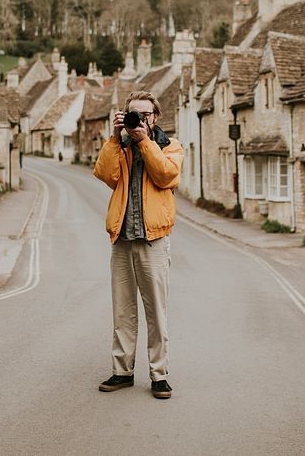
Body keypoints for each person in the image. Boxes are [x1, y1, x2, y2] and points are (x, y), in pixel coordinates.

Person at [93, 90, 183, 399]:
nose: (139, 119)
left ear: (156, 117)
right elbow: (104, 175)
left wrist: (144, 141)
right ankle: (122, 372)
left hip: (153, 240)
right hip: (122, 239)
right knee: (123, 311)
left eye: (145, 115)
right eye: (133, 113)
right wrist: (115, 138)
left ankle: (159, 375)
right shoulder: (121, 146)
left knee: (156, 312)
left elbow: (166, 177)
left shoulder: (171, 146)